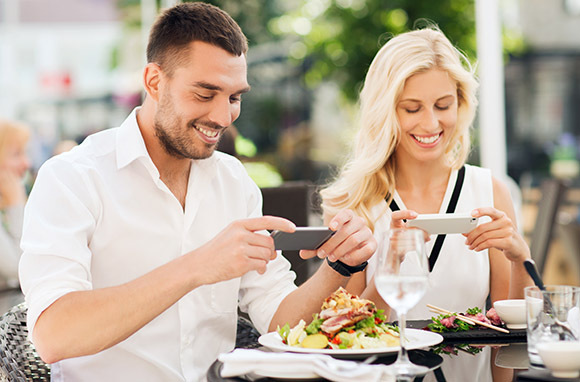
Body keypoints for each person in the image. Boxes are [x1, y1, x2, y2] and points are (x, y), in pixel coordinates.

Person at [18, 3, 375, 381]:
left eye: (235, 98)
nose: (223, 117)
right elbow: (54, 335)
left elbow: (280, 321)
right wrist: (198, 266)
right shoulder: (73, 178)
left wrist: (338, 266)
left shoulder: (234, 182)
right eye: (206, 94)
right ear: (155, 82)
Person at [319, 27, 532, 321]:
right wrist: (391, 265)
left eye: (443, 105)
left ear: (460, 103)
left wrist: (521, 258)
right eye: (412, 109)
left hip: (473, 369)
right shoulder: (353, 204)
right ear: (385, 112)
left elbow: (513, 333)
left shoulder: (489, 192)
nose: (431, 123)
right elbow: (346, 334)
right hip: (386, 368)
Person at [0, 118, 30, 293]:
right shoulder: (13, 204)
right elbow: (20, 269)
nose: (26, 163)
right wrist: (16, 206)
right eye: (16, 154)